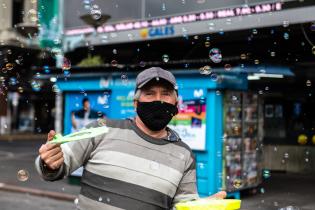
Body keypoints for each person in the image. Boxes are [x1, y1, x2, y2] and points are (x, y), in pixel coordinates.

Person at [35, 67, 226, 210]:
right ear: (136, 103)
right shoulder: (102, 129)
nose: (157, 100)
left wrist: (203, 207)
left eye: (165, 94)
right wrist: (50, 161)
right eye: (149, 93)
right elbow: (61, 161)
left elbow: (183, 205)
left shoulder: (185, 155)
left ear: (176, 104)